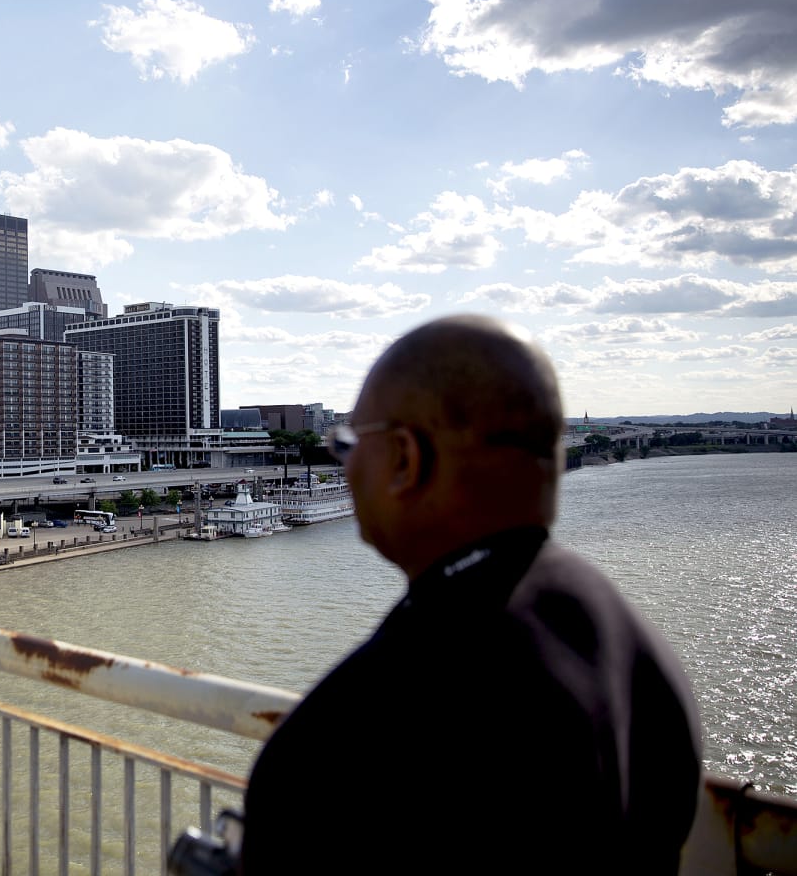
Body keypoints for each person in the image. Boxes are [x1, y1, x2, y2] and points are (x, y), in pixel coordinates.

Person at [239, 315, 702, 873]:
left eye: (350, 442)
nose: (343, 463)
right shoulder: (631, 647)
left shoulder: (355, 732)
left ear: (406, 458)